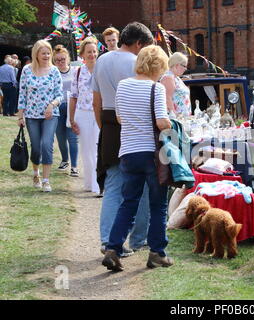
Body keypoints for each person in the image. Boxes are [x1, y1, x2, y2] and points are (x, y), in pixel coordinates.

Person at [102, 45, 173, 271]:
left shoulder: (123, 85)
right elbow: (161, 121)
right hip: (152, 154)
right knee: (158, 204)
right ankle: (156, 253)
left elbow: (120, 118)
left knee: (128, 203)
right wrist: (172, 124)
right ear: (158, 66)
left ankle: (113, 248)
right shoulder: (156, 89)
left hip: (129, 153)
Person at [92, 22, 154, 256]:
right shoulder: (136, 63)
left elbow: (96, 100)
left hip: (108, 125)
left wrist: (103, 128)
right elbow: (143, 101)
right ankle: (139, 238)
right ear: (138, 43)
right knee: (144, 184)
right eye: (144, 47)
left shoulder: (101, 60)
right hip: (134, 127)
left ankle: (108, 239)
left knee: (113, 185)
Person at [17, 40, 63, 192]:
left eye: (48, 53)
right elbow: (22, 94)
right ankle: (36, 173)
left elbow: (60, 95)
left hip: (51, 115)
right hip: (31, 115)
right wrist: (20, 116)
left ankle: (46, 180)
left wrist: (52, 105)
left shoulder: (55, 71)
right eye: (43, 53)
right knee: (36, 147)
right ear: (36, 54)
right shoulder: (26, 70)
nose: (46, 55)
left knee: (46, 145)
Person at [69, 38, 100, 194]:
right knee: (86, 149)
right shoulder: (78, 71)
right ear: (82, 54)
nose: (92, 54)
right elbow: (73, 96)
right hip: (83, 112)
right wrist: (71, 118)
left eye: (94, 51)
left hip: (99, 113)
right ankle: (89, 182)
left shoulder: (102, 69)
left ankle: (97, 184)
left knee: (97, 148)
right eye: (89, 52)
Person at [52, 45, 79, 176]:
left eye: (63, 59)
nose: (61, 62)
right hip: (58, 107)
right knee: (61, 137)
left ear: (68, 59)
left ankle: (74, 166)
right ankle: (64, 159)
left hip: (72, 107)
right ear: (54, 61)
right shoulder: (52, 72)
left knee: (72, 137)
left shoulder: (75, 70)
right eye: (57, 60)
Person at [160, 52, 191, 118]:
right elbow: (167, 98)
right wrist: (175, 117)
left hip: (182, 118)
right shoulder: (168, 77)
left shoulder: (175, 77)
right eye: (184, 66)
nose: (186, 69)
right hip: (176, 118)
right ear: (177, 65)